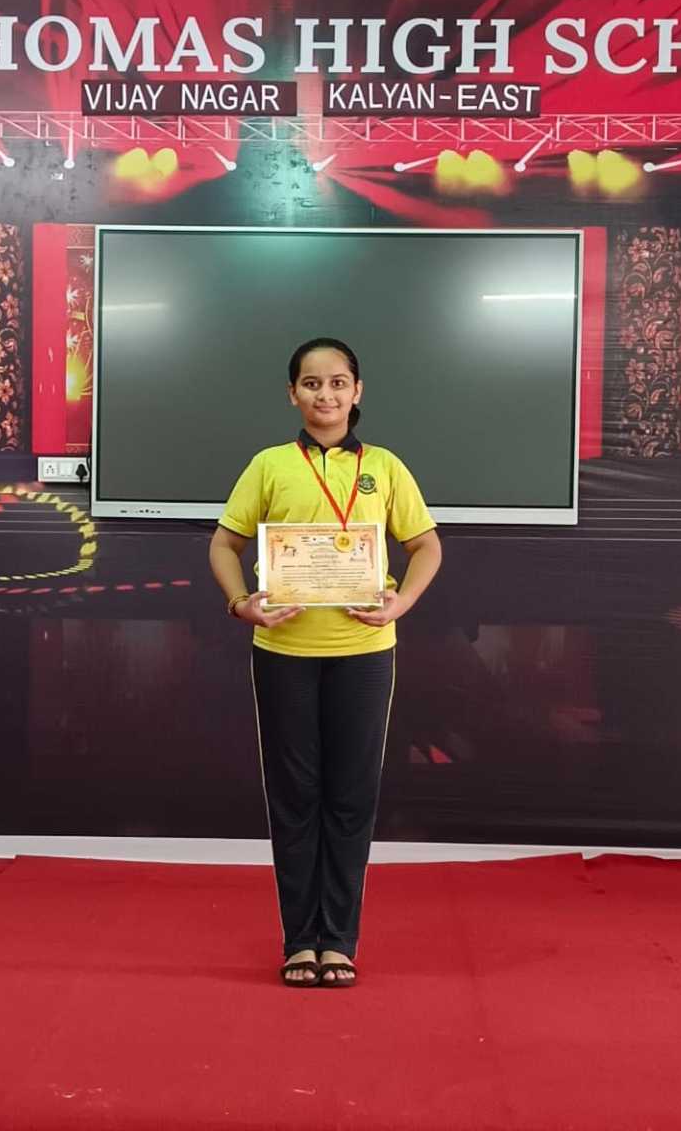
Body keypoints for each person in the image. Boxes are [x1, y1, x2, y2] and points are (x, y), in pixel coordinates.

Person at [208, 337, 442, 988]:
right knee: (294, 797)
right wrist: (240, 603)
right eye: (311, 384)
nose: (326, 395)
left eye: (338, 382)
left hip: (364, 655)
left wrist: (401, 604)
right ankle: (298, 940)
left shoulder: (384, 467)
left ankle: (337, 940)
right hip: (283, 653)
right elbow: (224, 544)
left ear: (357, 391)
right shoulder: (270, 465)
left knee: (351, 796)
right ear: (293, 394)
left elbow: (426, 546)